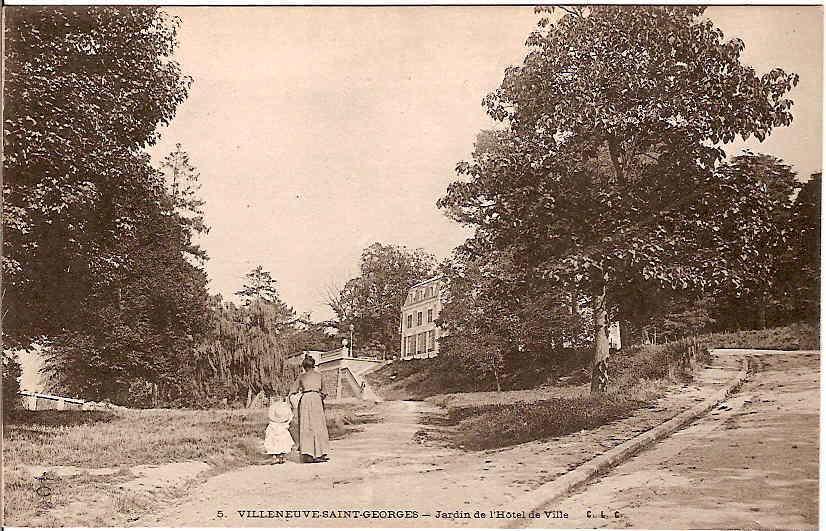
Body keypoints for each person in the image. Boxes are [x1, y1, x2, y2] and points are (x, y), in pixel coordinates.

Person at [289, 356, 330, 463]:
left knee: (306, 426)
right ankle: (320, 453)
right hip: (316, 399)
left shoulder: (302, 377)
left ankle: (308, 454)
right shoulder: (319, 376)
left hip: (305, 400)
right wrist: (319, 398)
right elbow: (324, 392)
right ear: (313, 366)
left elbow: (293, 391)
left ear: (304, 367)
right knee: (318, 425)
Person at [264, 396, 294, 464]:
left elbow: (270, 417)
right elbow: (290, 417)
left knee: (273, 442)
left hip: (274, 429)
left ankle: (275, 456)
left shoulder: (271, 425)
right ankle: (282, 456)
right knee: (283, 442)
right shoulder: (284, 426)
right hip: (282, 429)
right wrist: (287, 422)